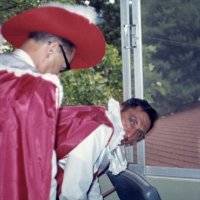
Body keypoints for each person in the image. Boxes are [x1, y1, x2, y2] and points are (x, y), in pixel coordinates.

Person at [0, 3, 105, 200]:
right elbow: (39, 167)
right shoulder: (39, 85)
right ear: (53, 48)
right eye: (63, 66)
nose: (59, 73)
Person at [55, 97, 158, 200]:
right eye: (131, 121)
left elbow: (89, 176)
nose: (130, 135)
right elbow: (72, 193)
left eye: (139, 133)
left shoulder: (109, 133)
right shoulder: (98, 130)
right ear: (120, 108)